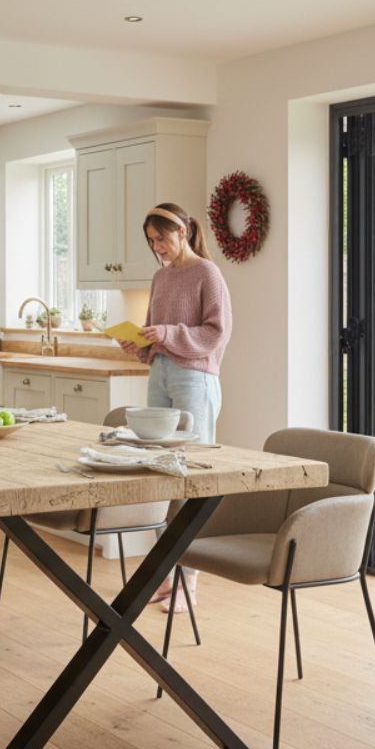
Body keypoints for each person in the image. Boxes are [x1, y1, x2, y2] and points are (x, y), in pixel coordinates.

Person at [116, 202, 231, 613]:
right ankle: (169, 574)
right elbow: (156, 333)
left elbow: (216, 333)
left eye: (162, 238)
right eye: (151, 241)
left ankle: (190, 581)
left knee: (191, 477)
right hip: (161, 373)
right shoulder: (160, 276)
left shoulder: (207, 273)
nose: (158, 247)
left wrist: (165, 332)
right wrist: (139, 343)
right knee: (162, 473)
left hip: (194, 377)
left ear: (183, 231)